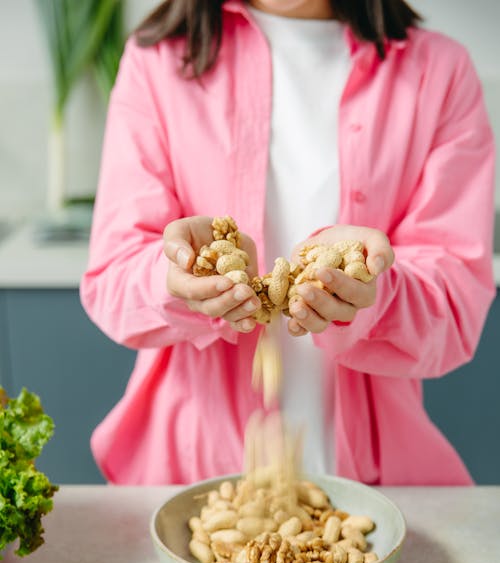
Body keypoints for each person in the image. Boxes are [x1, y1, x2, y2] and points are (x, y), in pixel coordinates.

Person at [80, 0, 495, 486]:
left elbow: (456, 305)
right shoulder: (156, 63)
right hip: (193, 478)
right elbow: (111, 278)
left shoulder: (439, 72)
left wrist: (374, 295)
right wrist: (174, 280)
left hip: (373, 487)